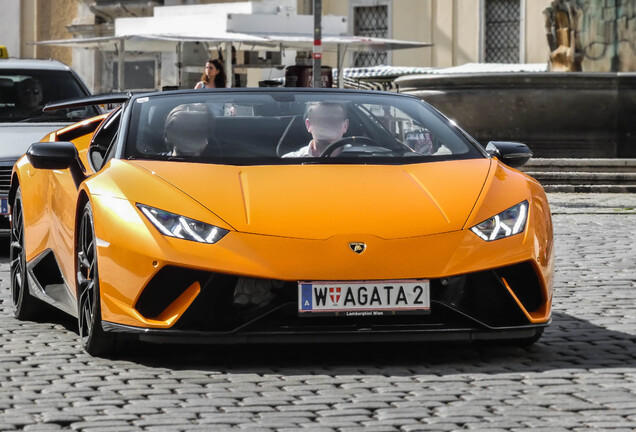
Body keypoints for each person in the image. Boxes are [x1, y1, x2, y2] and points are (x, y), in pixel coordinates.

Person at [283, 101, 349, 158]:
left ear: (345, 126)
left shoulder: (358, 156)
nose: (328, 125)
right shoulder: (287, 163)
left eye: (334, 120)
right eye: (321, 120)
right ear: (308, 125)